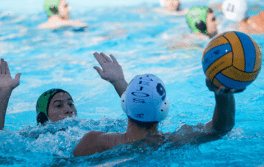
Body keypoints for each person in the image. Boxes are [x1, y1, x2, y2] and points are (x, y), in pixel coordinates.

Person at [72, 52, 243, 157]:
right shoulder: (171, 143)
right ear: (164, 110)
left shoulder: (93, 141)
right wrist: (222, 93)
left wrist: (118, 81)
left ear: (124, 103)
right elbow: (221, 129)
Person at [0, 58, 77, 132]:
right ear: (43, 117)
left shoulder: (85, 129)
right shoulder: (34, 137)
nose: (69, 110)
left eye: (70, 104)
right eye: (59, 105)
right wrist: (3, 93)